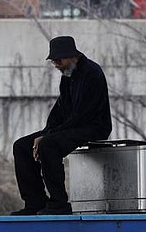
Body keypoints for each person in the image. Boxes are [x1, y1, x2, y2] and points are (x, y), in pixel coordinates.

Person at [11, 36, 112, 215]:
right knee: (21, 146)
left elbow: (81, 115)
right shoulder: (68, 74)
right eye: (54, 61)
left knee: (48, 145)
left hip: (93, 127)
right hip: (72, 125)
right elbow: (60, 109)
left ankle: (59, 204)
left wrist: (48, 136)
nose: (57, 64)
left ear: (73, 56)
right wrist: (45, 132)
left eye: (59, 60)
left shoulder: (91, 73)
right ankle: (35, 203)